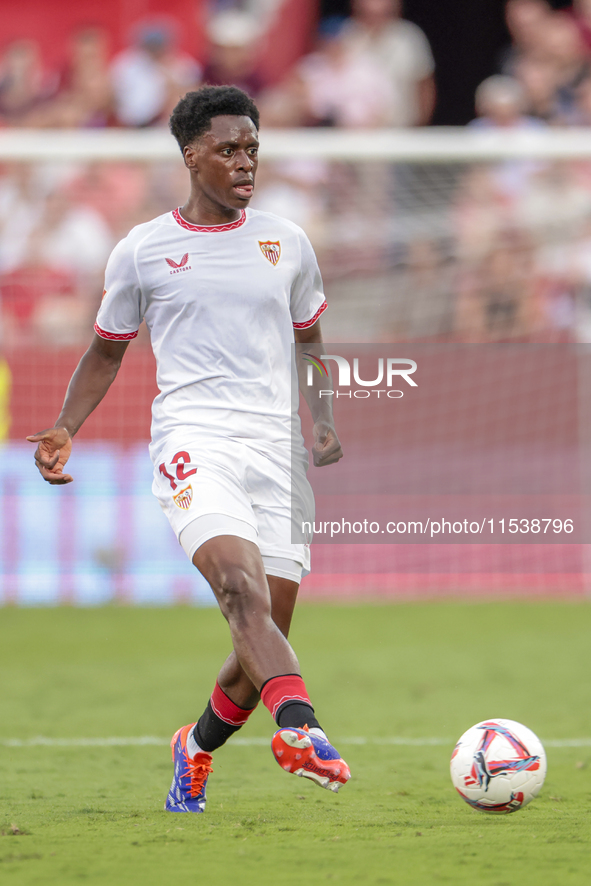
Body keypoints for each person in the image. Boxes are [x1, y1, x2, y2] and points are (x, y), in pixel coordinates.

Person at [27, 85, 351, 812]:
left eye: (253, 151)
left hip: (277, 451)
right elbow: (106, 352)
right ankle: (302, 730)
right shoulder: (143, 250)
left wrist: (322, 416)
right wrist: (65, 426)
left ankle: (194, 747)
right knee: (239, 589)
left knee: (261, 632)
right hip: (194, 438)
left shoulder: (285, 243)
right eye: (230, 150)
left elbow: (311, 342)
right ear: (191, 156)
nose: (245, 164)